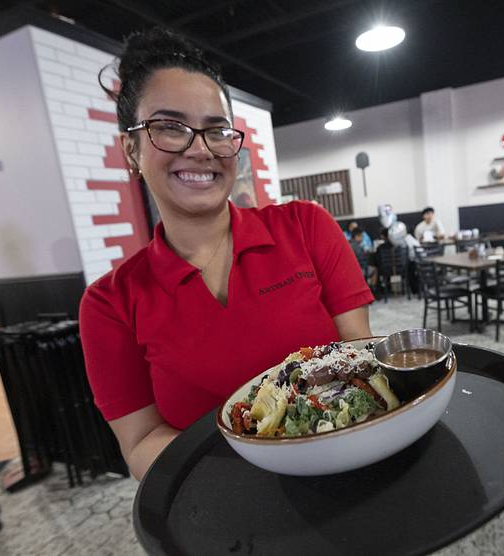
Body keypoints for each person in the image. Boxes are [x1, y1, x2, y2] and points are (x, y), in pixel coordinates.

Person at [80, 28, 373, 480]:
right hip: (220, 504)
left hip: (342, 468)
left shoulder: (307, 227)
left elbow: (359, 365)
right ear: (131, 150)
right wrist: (258, 465)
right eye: (169, 127)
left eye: (216, 129)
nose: (199, 149)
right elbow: (139, 442)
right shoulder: (110, 303)